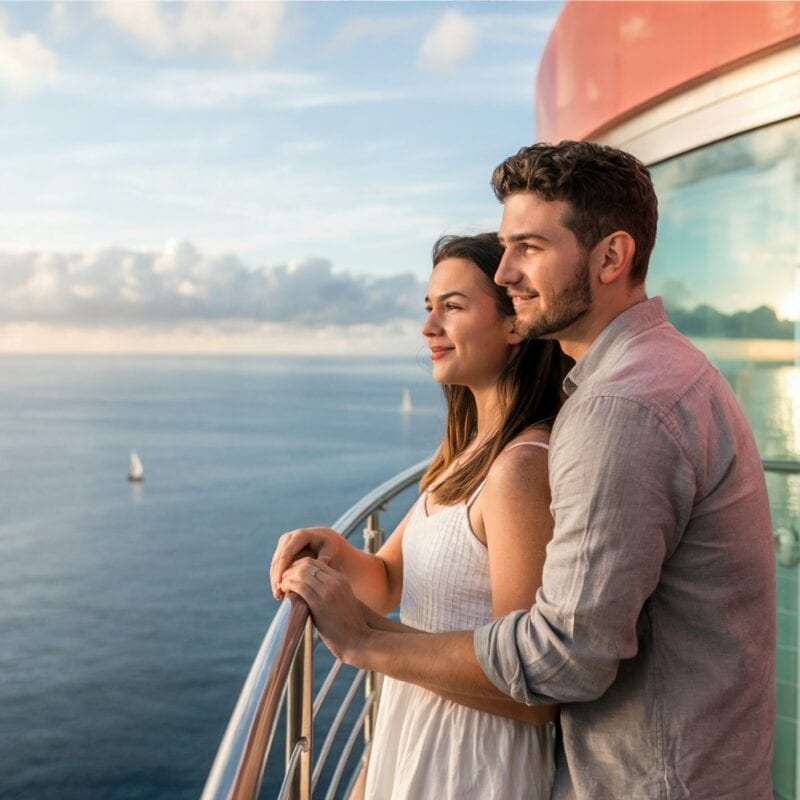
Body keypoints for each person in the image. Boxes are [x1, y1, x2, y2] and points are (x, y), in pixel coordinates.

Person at [278, 141, 776, 799]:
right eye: (507, 247)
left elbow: (562, 660)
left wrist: (365, 640)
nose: (508, 272)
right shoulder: (650, 378)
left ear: (610, 257)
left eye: (531, 247)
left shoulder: (619, 407)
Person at [271, 232, 572, 798]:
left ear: (515, 324)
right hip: (418, 731)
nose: (428, 327)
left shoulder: (521, 471)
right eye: (429, 308)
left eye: (453, 307)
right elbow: (385, 582)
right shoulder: (466, 453)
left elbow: (528, 694)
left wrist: (361, 639)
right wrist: (335, 550)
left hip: (471, 762)